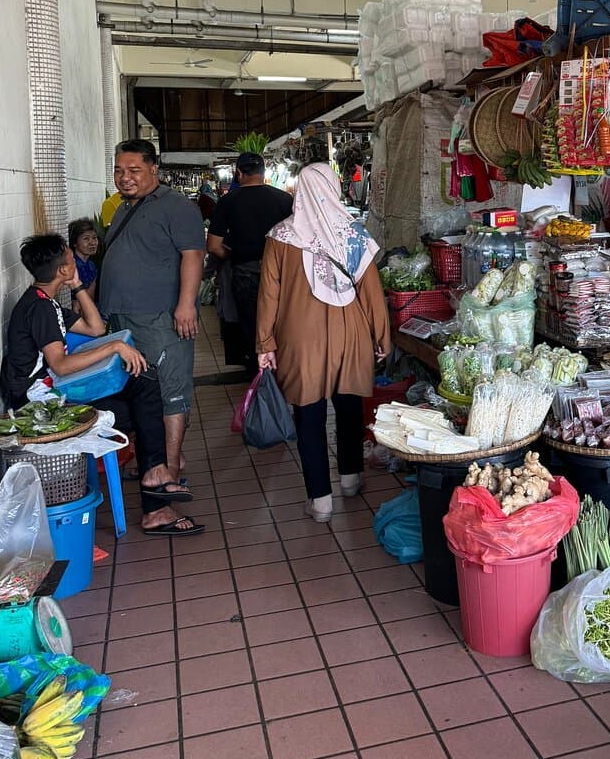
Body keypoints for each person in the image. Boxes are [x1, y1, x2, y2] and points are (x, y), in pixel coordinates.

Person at [1, 235, 203, 536]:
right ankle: (155, 494)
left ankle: (156, 479)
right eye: (71, 260)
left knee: (144, 381)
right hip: (39, 407)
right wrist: (114, 349)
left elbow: (96, 328)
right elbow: (60, 364)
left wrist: (77, 286)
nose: (75, 264)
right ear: (62, 270)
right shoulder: (39, 309)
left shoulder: (46, 302)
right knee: (143, 409)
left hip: (51, 391)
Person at [256, 162, 391, 522]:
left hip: (300, 335)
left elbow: (268, 294)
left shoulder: (281, 236)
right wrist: (382, 337)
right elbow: (372, 294)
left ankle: (320, 500)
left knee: (309, 414)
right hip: (352, 331)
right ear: (334, 188)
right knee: (348, 405)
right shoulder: (356, 235)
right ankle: (350, 479)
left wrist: (265, 343)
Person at [100, 139, 206, 487]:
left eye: (134, 170)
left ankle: (170, 468)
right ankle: (155, 458)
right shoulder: (122, 207)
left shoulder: (176, 206)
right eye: (119, 170)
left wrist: (186, 304)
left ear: (153, 170)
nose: (124, 177)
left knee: (170, 391)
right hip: (123, 319)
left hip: (160, 318)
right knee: (141, 392)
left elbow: (193, 254)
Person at [207, 152, 292, 374]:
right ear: (264, 173)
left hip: (244, 273)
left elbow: (213, 245)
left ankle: (259, 377)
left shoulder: (227, 202)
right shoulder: (285, 199)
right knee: (282, 323)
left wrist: (234, 256)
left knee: (252, 327)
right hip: (281, 274)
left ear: (239, 173)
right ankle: (284, 373)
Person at [68, 218, 100, 296]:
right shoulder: (72, 266)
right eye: (86, 239)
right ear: (74, 243)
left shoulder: (91, 265)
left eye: (94, 238)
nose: (92, 243)